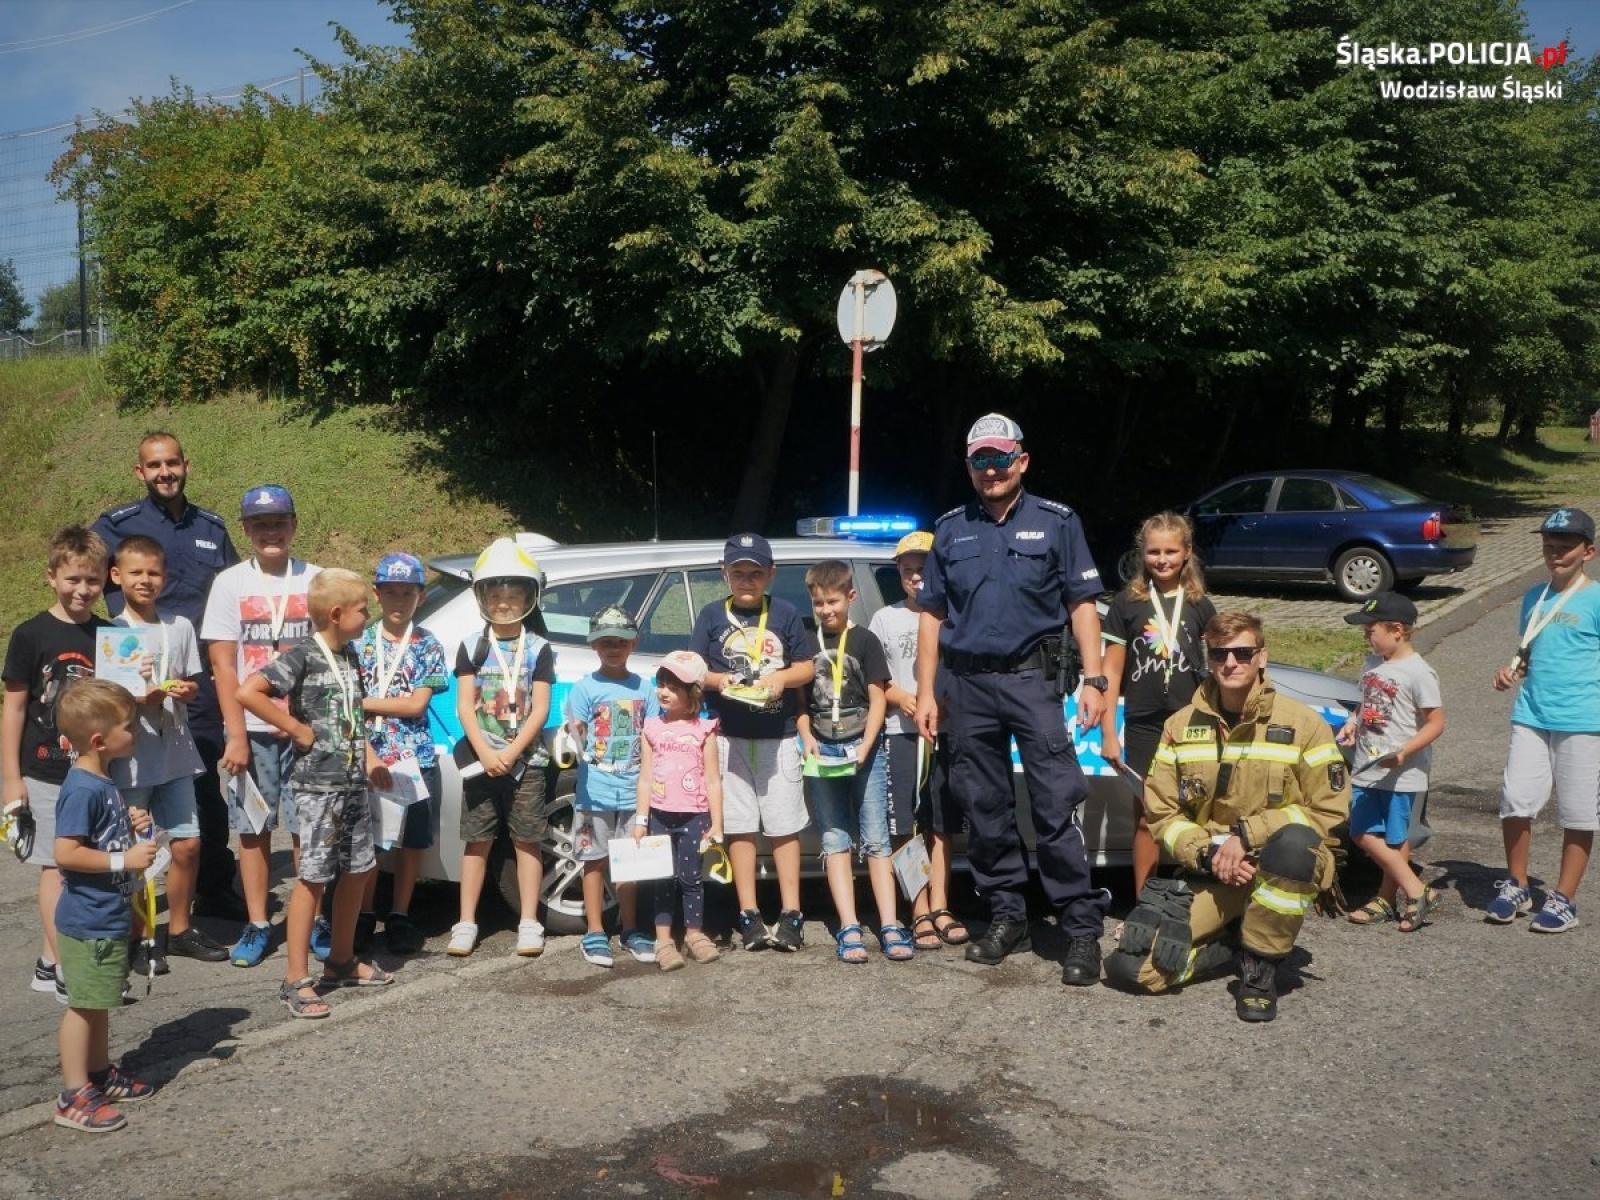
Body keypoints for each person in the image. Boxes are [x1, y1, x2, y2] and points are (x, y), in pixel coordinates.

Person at [914, 413, 1110, 986]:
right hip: (967, 687)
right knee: (985, 810)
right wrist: (927, 690)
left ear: (1022, 461)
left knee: (1055, 807)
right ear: (969, 466)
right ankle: (1008, 918)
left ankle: (1079, 929)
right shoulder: (950, 530)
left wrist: (1094, 680)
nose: (991, 469)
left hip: (1034, 684)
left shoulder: (1057, 522)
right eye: (980, 459)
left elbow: (1082, 606)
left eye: (1001, 458)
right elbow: (931, 614)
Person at [1103, 611, 1350, 1022]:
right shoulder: (1179, 726)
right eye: (1219, 654)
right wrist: (1204, 854)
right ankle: (1229, 946)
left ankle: (1259, 970)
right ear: (1209, 658)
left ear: (1261, 656)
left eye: (1241, 652)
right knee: (1129, 967)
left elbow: (1329, 808)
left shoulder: (1305, 724)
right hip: (1216, 866)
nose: (1230, 663)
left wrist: (1247, 837)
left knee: (1291, 847)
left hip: (1280, 862)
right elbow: (1161, 810)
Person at [91, 431, 242, 921]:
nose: (164, 473)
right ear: (140, 472)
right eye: (154, 466)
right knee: (130, 797)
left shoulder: (212, 529)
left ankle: (213, 890)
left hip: (195, 681)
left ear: (186, 465)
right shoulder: (117, 527)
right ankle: (126, 912)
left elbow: (233, 595)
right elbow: (86, 584)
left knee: (203, 789)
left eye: (172, 463)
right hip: (132, 682)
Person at [238, 569, 395, 1018]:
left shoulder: (349, 658)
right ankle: (295, 979)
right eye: (364, 609)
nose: (369, 615)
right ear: (336, 613)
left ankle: (341, 961)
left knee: (359, 870)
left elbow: (351, 717)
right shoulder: (303, 655)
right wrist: (294, 728)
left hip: (351, 783)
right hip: (317, 787)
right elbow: (249, 691)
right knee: (314, 877)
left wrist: (371, 758)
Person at [200, 485, 322, 968]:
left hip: (305, 729)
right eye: (260, 524)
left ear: (293, 525)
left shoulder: (316, 579)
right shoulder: (230, 583)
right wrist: (235, 733)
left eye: (279, 522)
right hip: (251, 729)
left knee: (306, 829)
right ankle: (257, 923)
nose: (271, 531)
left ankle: (312, 920)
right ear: (246, 530)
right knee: (252, 830)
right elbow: (223, 664)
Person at [106, 536, 230, 972]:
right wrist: (141, 698)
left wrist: (186, 689)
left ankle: (179, 929)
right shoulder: (113, 633)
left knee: (189, 845)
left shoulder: (179, 625)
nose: (146, 580)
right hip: (133, 759)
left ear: (166, 577)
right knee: (138, 849)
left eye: (153, 573)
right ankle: (139, 937)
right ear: (116, 576)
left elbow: (192, 681)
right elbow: (107, 701)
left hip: (176, 751)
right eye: (136, 573)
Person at [689, 533, 816, 951]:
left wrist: (780, 678)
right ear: (724, 573)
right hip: (728, 737)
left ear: (770, 574)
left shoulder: (785, 611)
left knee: (783, 825)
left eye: (755, 573)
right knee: (740, 827)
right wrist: (718, 679)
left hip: (778, 736)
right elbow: (695, 670)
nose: (747, 580)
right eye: (738, 572)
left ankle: (792, 913)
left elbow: (806, 667)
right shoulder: (711, 615)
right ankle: (749, 914)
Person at [2, 525, 112, 1004]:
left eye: (91, 580)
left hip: (92, 772)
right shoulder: (30, 634)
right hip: (42, 770)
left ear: (105, 580)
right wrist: (10, 780)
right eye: (72, 580)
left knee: (81, 869)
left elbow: (117, 701)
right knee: (55, 867)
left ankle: (50, 962)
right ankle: (66, 964)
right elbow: (15, 708)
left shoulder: (109, 634)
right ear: (51, 577)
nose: (82, 590)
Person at [50, 679, 158, 1132]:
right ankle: (73, 1094)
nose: (135, 733)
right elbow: (66, 853)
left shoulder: (102, 781)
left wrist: (133, 826)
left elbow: (100, 837)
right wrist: (124, 858)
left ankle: (97, 1074)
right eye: (129, 726)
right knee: (84, 1005)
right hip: (88, 919)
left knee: (100, 1001)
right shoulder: (83, 788)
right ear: (99, 740)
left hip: (107, 915)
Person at [1487, 506, 1600, 933]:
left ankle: (1564, 898)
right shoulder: (1535, 597)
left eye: (1565, 547)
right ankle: (1516, 883)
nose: (1555, 553)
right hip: (1532, 713)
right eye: (1549, 545)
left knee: (1578, 811)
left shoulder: (1596, 599)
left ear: (1588, 551)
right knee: (1515, 798)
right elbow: (1529, 651)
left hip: (1584, 719)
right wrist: (1513, 670)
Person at [1100, 512, 1217, 898]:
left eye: (1170, 551)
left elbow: (1220, 667)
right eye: (1154, 552)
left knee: (1200, 812)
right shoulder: (1125, 604)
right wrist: (1108, 734)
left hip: (1192, 719)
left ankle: (1202, 901)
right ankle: (1143, 904)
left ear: (1186, 553)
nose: (1162, 559)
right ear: (1142, 554)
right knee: (1148, 817)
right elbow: (1110, 673)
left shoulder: (1200, 604)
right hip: (1143, 722)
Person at [447, 537, 554, 958]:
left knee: (528, 840)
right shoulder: (472, 645)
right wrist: (488, 754)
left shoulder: (540, 648)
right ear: (482, 597)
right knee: (478, 841)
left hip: (526, 762)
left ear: (530, 598)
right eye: (496, 595)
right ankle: (466, 922)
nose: (505, 603)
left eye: (514, 595)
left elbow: (541, 709)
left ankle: (529, 921)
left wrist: (511, 754)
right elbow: (464, 708)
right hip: (481, 760)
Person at [796, 560, 908, 963]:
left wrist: (867, 745)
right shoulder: (806, 641)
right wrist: (807, 737)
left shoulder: (865, 641)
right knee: (834, 838)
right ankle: (848, 926)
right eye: (819, 603)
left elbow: (878, 696)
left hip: (865, 748)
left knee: (876, 837)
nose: (826, 610)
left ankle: (891, 924)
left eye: (833, 601)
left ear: (850, 597)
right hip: (823, 752)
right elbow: (801, 703)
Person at [868, 531, 968, 951]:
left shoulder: (954, 615)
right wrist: (905, 699)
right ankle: (919, 905)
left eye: (924, 569)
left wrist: (944, 702)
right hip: (902, 734)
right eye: (908, 570)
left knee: (941, 823)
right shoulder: (885, 619)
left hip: (947, 731)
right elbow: (876, 680)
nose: (917, 576)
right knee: (908, 826)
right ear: (899, 573)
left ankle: (942, 902)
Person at [354, 552, 448, 955]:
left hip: (415, 759)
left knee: (411, 842)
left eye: (406, 593)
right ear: (376, 595)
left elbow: (415, 706)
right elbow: (346, 705)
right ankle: (363, 913)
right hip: (370, 758)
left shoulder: (428, 644)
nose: (397, 601)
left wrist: (364, 703)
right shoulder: (359, 643)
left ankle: (400, 914)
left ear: (420, 596)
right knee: (370, 841)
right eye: (389, 593)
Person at [1338, 592, 1445, 933]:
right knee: (1362, 831)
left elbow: (1436, 723)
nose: (1366, 636)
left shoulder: (1419, 673)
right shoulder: (1372, 664)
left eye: (1371, 630)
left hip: (1402, 772)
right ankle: (1408, 893)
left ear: (1397, 630)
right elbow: (1366, 703)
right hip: (1368, 765)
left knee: (1394, 838)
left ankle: (1400, 894)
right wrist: (1353, 723)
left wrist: (1402, 753)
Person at [564, 605, 659, 968]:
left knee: (630, 863)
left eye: (620, 641)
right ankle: (594, 930)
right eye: (605, 642)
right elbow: (577, 731)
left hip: (635, 791)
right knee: (593, 861)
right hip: (595, 794)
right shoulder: (584, 688)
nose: (613, 647)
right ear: (594, 646)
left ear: (633, 644)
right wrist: (578, 734)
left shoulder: (644, 688)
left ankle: (631, 928)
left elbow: (651, 738)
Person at [635, 651, 723, 971]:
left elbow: (713, 779)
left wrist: (717, 823)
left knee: (691, 879)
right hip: (658, 815)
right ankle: (663, 940)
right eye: (661, 683)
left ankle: (694, 934)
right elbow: (644, 778)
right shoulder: (651, 727)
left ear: (694, 692)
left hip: (694, 816)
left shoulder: (704, 729)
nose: (664, 691)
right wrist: (641, 820)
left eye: (674, 686)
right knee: (662, 881)